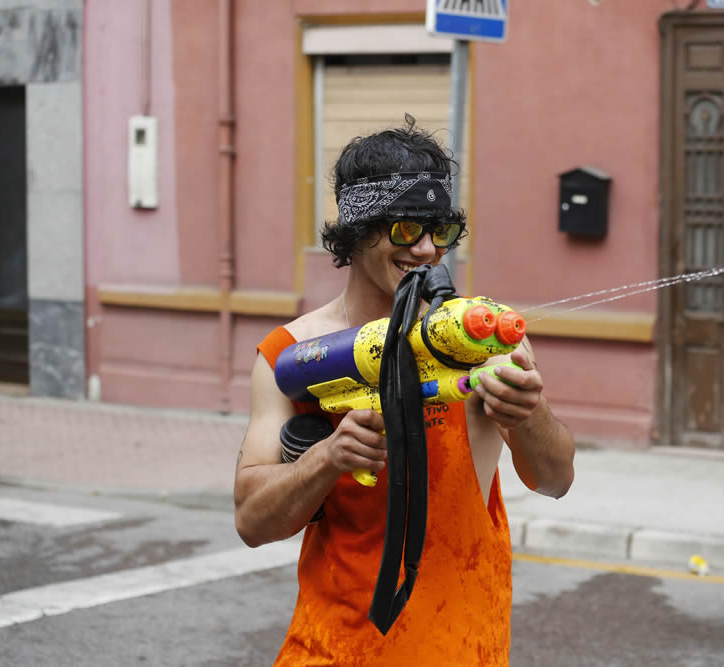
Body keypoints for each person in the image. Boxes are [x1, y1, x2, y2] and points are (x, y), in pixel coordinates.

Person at [233, 118, 575, 665]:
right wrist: (328, 457)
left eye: (439, 231)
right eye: (403, 230)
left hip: (466, 646)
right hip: (335, 648)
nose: (425, 250)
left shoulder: (477, 339)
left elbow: (556, 480)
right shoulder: (292, 354)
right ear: (356, 230)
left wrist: (528, 412)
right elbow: (251, 522)